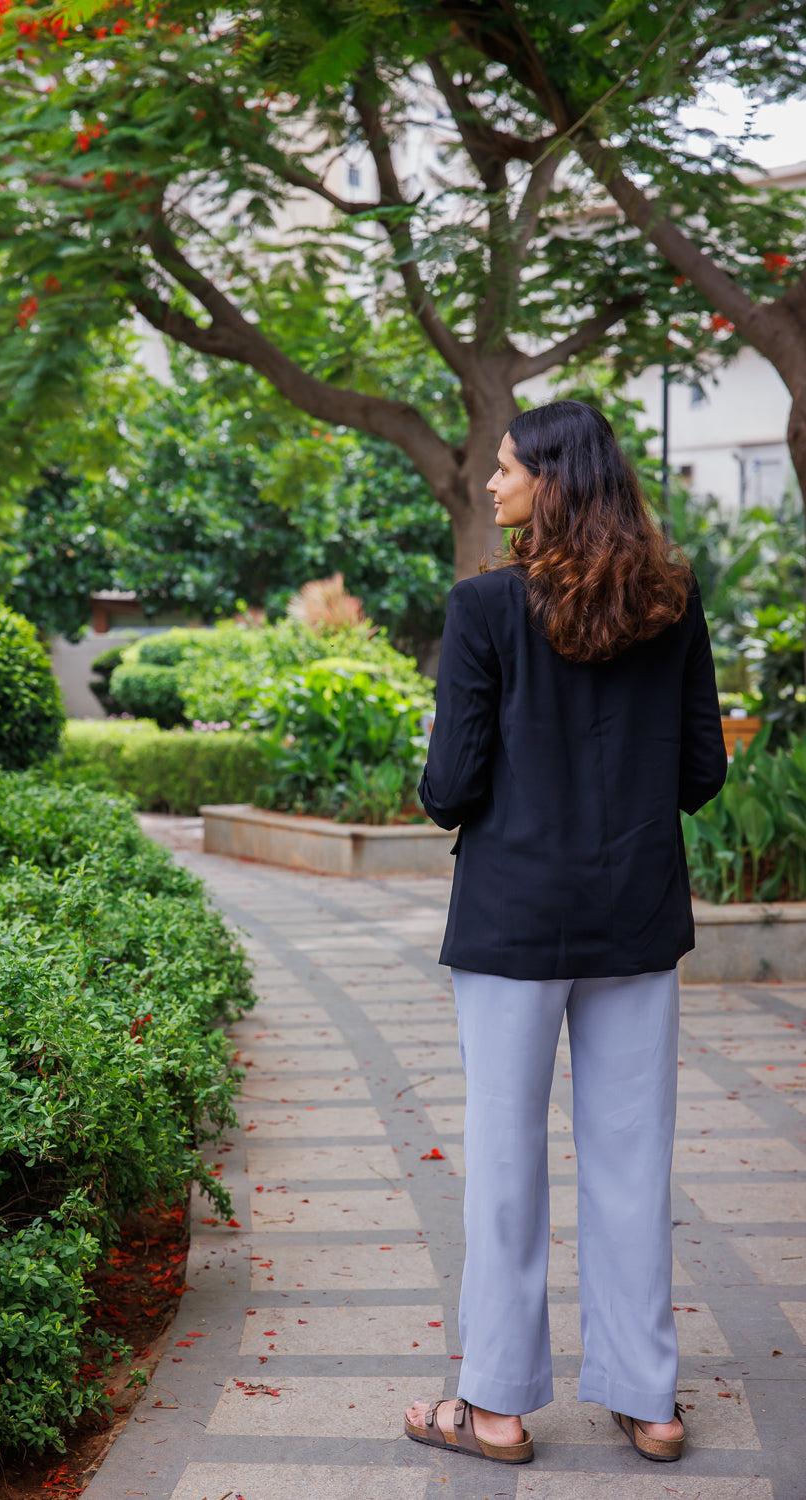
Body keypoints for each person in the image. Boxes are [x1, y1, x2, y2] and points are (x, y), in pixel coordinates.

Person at [403, 400, 727, 1467]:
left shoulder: (484, 607)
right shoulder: (670, 603)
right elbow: (702, 769)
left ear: (554, 480)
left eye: (507, 467)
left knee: (503, 1162)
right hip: (635, 911)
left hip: (512, 918)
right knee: (633, 1160)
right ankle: (649, 1402)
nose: (492, 483)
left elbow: (450, 787)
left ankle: (493, 1408)